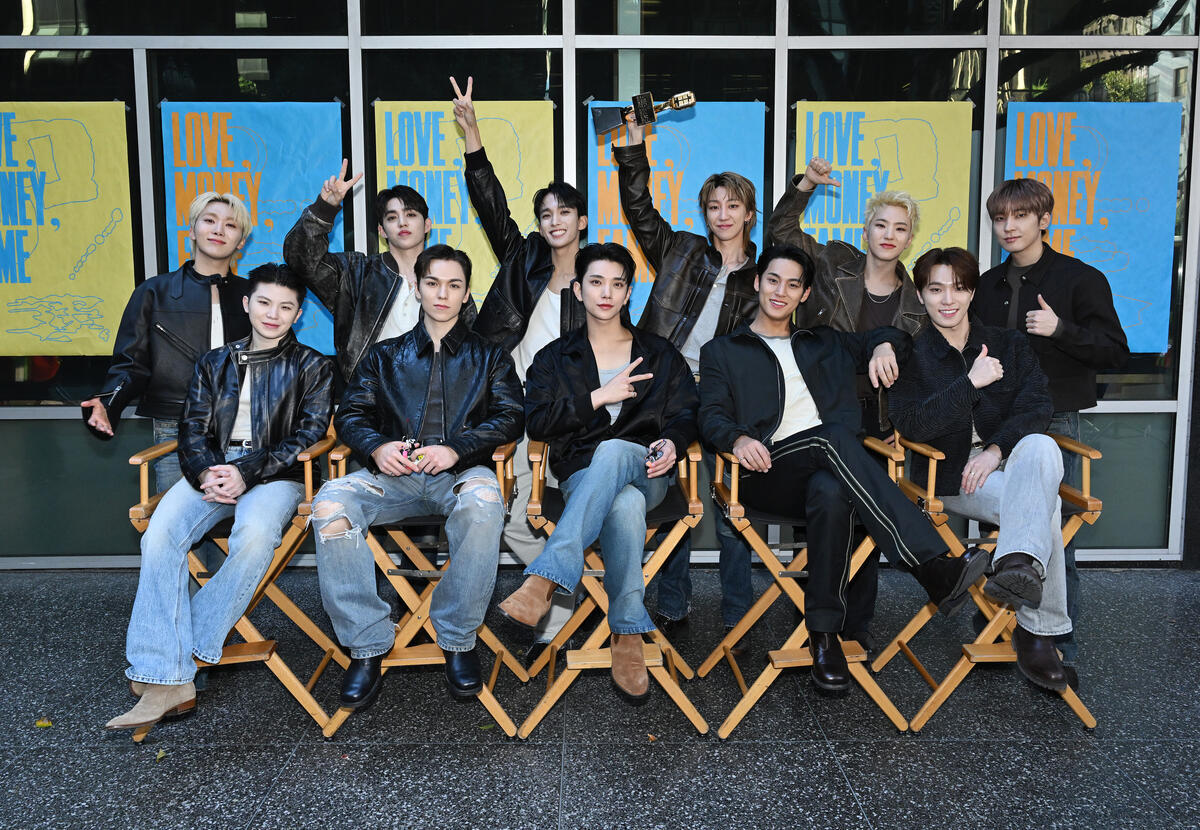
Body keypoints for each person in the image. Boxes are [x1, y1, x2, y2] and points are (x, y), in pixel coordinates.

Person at [698, 244, 989, 694]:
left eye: (793, 285)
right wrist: (737, 439)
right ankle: (931, 565)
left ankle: (825, 638)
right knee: (833, 437)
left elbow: (897, 339)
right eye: (773, 280)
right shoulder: (723, 351)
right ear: (757, 283)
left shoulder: (824, 342)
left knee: (831, 490)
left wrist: (882, 346)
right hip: (765, 472)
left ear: (805, 293)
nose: (780, 291)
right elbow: (710, 415)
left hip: (829, 473)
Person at [105, 263, 334, 733]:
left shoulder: (313, 366)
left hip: (276, 476)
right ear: (247, 304)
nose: (273, 314)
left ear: (298, 314)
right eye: (264, 302)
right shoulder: (214, 362)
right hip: (212, 469)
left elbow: (308, 436)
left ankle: (176, 656)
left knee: (255, 537)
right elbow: (192, 428)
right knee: (159, 535)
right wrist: (207, 471)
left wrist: (246, 472)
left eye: (285, 307)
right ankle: (168, 675)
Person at [310, 245, 523, 709]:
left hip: (461, 473)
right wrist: (377, 446)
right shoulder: (384, 356)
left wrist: (456, 448)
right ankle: (366, 644)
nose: (442, 294)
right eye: (433, 283)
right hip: (394, 478)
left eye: (454, 285)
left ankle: (457, 638)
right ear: (417, 287)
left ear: (466, 293)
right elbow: (350, 415)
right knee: (330, 504)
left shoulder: (491, 357)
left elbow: (510, 417)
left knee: (485, 505)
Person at [497, 243, 698, 704]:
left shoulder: (659, 353)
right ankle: (627, 632)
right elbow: (538, 422)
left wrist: (673, 441)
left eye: (617, 284)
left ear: (628, 293)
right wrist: (597, 397)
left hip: (649, 471)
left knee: (617, 455)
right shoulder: (553, 357)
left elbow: (688, 412)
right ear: (578, 289)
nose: (606, 293)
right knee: (623, 504)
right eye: (596, 282)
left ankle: (545, 579)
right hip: (582, 478)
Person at [889, 246, 1074, 691]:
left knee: (1040, 445)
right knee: (1044, 507)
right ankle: (1037, 630)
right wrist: (969, 382)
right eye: (935, 289)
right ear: (921, 294)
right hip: (952, 473)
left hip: (1009, 460)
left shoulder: (1009, 344)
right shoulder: (911, 354)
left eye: (958, 288)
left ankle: (1016, 562)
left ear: (972, 292)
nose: (947, 299)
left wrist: (994, 450)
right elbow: (912, 423)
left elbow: (1038, 405)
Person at [766, 156, 927, 650]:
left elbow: (916, 375)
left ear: (909, 239)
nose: (888, 234)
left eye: (900, 228)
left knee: (865, 526)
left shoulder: (916, 306)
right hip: (813, 411)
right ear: (866, 229)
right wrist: (806, 185)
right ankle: (817, 618)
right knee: (825, 510)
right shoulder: (833, 263)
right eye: (881, 224)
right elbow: (780, 234)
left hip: (873, 424)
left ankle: (854, 629)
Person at [452, 76, 587, 651]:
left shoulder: (600, 276)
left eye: (565, 212)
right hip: (520, 410)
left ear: (582, 220)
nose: (555, 221)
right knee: (515, 517)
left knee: (577, 510)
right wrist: (472, 137)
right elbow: (492, 207)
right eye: (546, 213)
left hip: (577, 415)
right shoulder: (524, 256)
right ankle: (562, 607)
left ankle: (566, 601)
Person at [613, 112, 761, 635]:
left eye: (733, 206)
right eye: (714, 206)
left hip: (723, 398)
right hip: (666, 389)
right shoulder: (681, 249)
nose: (722, 215)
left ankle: (738, 609)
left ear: (748, 214)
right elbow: (638, 209)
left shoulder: (763, 278)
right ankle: (673, 601)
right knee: (672, 493)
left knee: (731, 502)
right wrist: (634, 146)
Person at [973, 177, 1130, 665]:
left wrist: (1061, 329)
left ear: (1044, 219)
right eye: (1000, 218)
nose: (1008, 226)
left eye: (1020, 216)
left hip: (1054, 422)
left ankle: (1057, 647)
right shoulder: (986, 285)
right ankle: (992, 633)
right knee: (996, 527)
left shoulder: (1081, 279)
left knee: (1054, 536)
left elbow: (1115, 352)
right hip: (993, 422)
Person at [83, 192, 253, 491]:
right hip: (175, 427)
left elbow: (278, 361)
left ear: (241, 241)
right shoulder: (154, 292)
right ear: (192, 230)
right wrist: (108, 402)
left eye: (230, 225)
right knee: (174, 516)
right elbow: (131, 363)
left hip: (243, 429)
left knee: (240, 516)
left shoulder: (254, 296)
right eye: (209, 220)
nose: (218, 230)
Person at [285, 161, 461, 384]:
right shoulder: (356, 272)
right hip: (370, 395)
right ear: (382, 231)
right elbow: (300, 259)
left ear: (427, 225)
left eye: (410, 214)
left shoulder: (448, 277)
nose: (402, 223)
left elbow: (468, 346)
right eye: (392, 217)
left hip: (435, 393)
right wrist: (325, 208)